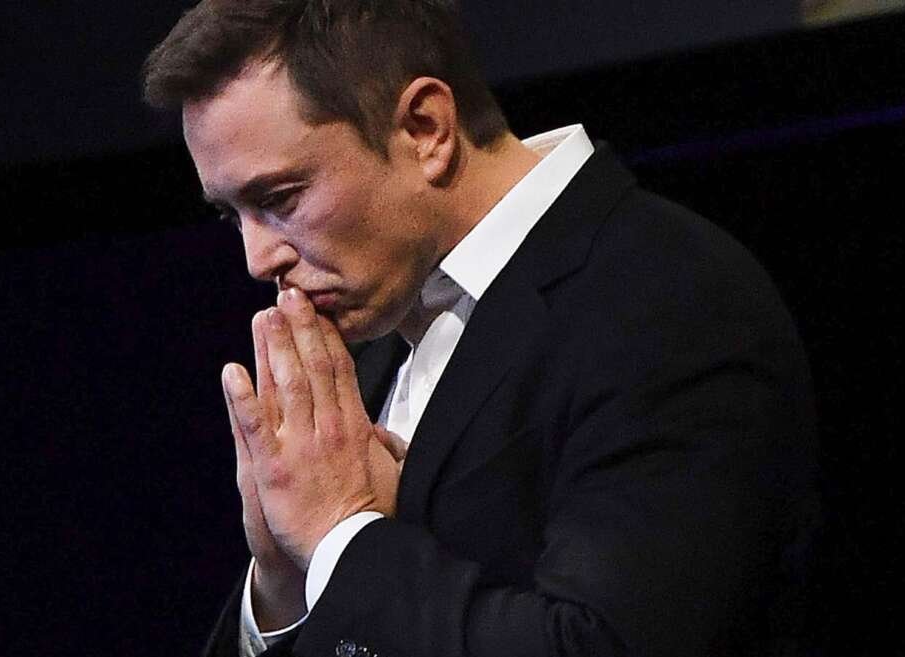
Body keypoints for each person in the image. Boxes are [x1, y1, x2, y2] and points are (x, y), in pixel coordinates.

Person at [144, 1, 817, 656]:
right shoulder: (375, 323)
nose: (257, 259)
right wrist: (283, 583)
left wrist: (339, 538)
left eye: (280, 199)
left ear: (426, 130)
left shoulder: (671, 298)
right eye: (232, 215)